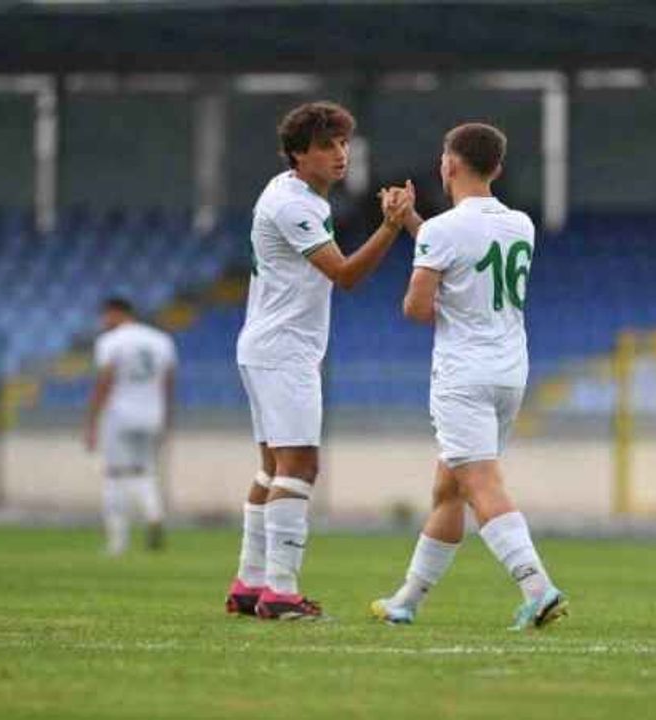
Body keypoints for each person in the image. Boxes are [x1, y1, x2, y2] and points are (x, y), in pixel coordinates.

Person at [370, 123, 568, 630]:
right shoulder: (520, 224)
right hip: (509, 372)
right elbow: (465, 254)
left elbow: (416, 308)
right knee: (449, 490)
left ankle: (538, 588)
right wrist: (411, 221)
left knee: (480, 485)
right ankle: (406, 601)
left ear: (450, 165)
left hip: (463, 374)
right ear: (496, 168)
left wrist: (416, 237)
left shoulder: (443, 231)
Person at [227, 101, 413, 620]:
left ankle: (250, 583)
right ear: (297, 154)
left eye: (343, 143)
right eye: (327, 145)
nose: (340, 154)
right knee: (300, 466)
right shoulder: (296, 206)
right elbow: (346, 275)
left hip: (267, 345)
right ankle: (280, 592)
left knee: (272, 468)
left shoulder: (289, 191)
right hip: (284, 350)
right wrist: (391, 226)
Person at [85, 296, 177, 555]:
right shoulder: (162, 340)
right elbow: (168, 383)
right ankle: (154, 514)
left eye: (105, 315)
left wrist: (91, 421)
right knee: (145, 469)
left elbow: (105, 381)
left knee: (115, 474)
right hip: (153, 413)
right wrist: (166, 417)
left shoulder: (110, 341)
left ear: (116, 313)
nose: (103, 321)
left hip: (119, 414)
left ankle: (117, 542)